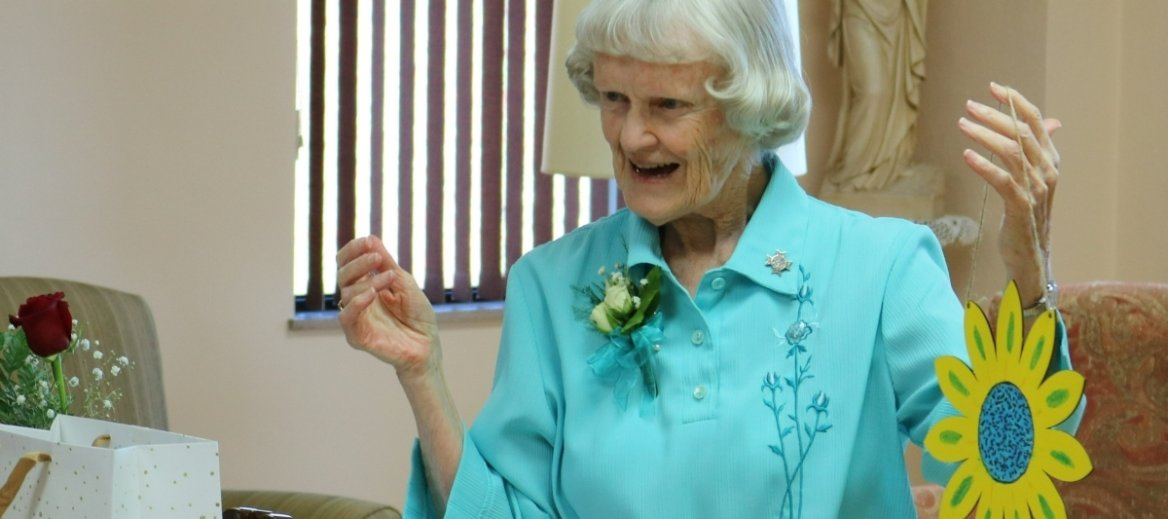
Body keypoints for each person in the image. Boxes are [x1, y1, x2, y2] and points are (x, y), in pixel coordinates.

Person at [335, 0, 1078, 517]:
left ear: (751, 108)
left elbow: (1006, 470)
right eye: (616, 99)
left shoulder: (879, 267)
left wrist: (1027, 275)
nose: (629, 138)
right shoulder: (551, 284)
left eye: (667, 107)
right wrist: (423, 375)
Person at [825, 0, 930, 192]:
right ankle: (853, 169)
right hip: (859, 9)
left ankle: (888, 162)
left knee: (893, 93)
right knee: (872, 92)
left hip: (896, 11)